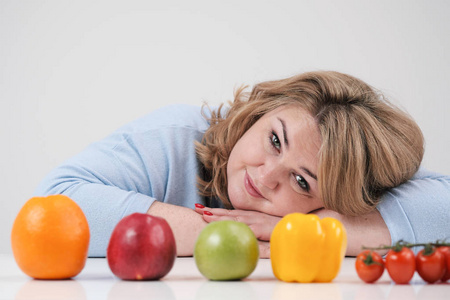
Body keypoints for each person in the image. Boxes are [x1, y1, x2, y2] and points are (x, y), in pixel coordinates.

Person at [34, 71, 450, 258]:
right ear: (259, 112)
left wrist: (303, 231)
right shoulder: (175, 136)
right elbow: (55, 202)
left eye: (302, 182)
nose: (266, 176)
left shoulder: (341, 196)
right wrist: (235, 236)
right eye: (274, 140)